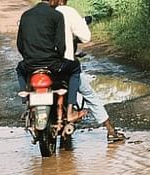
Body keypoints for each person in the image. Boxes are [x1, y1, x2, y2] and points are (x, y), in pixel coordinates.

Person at [54, 0, 127, 142]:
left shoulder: (39, 15)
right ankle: (110, 130)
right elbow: (85, 37)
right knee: (89, 93)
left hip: (40, 66)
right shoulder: (68, 12)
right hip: (64, 64)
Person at [16, 0, 85, 123]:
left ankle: (26, 98)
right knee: (75, 68)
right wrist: (59, 59)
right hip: (53, 65)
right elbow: (61, 45)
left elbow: (20, 45)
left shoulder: (26, 15)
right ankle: (70, 111)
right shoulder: (56, 16)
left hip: (30, 65)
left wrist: (29, 58)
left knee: (19, 69)